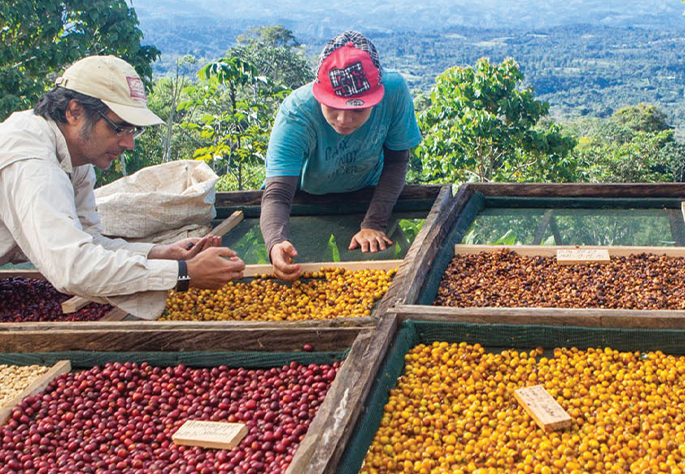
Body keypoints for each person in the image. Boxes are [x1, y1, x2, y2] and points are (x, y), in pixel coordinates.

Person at [0, 55, 246, 307]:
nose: (129, 143)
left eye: (133, 131)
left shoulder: (77, 158)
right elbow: (73, 268)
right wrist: (183, 273)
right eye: (119, 128)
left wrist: (160, 253)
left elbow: (89, 240)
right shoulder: (31, 161)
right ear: (75, 111)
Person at [260, 32, 422, 280]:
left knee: (372, 277)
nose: (343, 120)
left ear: (376, 96)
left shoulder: (394, 92)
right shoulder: (297, 114)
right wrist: (276, 242)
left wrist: (373, 224)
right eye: (333, 107)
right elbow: (278, 193)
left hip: (369, 196)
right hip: (307, 202)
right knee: (301, 273)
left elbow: (397, 162)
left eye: (357, 109)